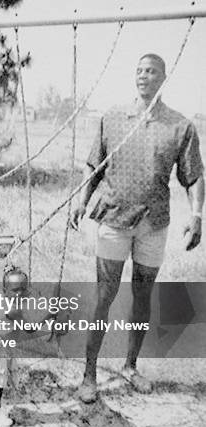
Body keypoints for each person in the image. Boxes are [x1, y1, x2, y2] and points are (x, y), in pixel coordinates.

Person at [70, 53, 204, 403]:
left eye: (152, 71)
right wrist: (82, 201)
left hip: (154, 223)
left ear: (163, 77)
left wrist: (197, 216)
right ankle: (89, 375)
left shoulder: (180, 125)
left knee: (142, 296)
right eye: (140, 70)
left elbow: (193, 177)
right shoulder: (113, 118)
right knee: (104, 296)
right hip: (113, 218)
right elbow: (93, 167)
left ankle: (130, 366)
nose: (144, 76)